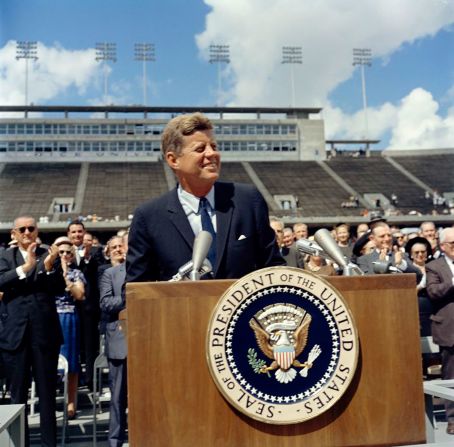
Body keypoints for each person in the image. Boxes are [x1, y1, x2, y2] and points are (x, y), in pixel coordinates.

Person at [126, 112, 284, 282]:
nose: (211, 154)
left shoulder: (247, 200)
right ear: (173, 160)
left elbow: (273, 268)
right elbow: (136, 290)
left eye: (214, 147)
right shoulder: (149, 217)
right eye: (200, 149)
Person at [0, 216, 64, 446]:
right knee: (17, 396)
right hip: (14, 336)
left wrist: (46, 267)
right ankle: (19, 443)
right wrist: (25, 268)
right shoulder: (4, 256)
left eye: (31, 228)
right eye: (22, 229)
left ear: (37, 231)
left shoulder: (50, 255)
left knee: (47, 395)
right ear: (13, 234)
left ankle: (49, 444)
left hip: (44, 335)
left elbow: (58, 288)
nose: (27, 232)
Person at [100, 233, 128, 447]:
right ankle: (114, 442)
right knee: (117, 397)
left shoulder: (146, 270)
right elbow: (106, 303)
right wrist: (130, 297)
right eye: (115, 246)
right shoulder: (108, 273)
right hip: (119, 339)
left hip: (146, 340)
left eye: (122, 245)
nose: (119, 249)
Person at [67, 220, 102, 390]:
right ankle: (70, 383)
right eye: (73, 232)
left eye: (79, 231)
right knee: (72, 345)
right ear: (68, 234)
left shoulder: (96, 252)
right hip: (69, 308)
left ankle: (90, 381)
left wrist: (88, 257)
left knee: (90, 346)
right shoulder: (65, 252)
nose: (76, 235)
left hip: (89, 307)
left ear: (84, 232)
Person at [53, 236, 86, 419]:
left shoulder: (76, 273)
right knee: (50, 362)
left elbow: (80, 294)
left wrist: (66, 277)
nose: (64, 255)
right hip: (50, 318)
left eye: (68, 252)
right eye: (61, 252)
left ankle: (71, 402)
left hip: (69, 317)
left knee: (71, 363)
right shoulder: (48, 271)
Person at [426, 227, 454, 435]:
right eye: (453, 244)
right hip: (449, 329)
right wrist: (452, 283)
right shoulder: (434, 266)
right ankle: (452, 418)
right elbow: (433, 292)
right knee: (450, 375)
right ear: (443, 246)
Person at [405, 237, 433, 336]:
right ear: (411, 254)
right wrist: (421, 286)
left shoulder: (434, 267)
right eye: (416, 252)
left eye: (423, 251)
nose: (420, 255)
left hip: (433, 310)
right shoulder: (406, 270)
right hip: (416, 310)